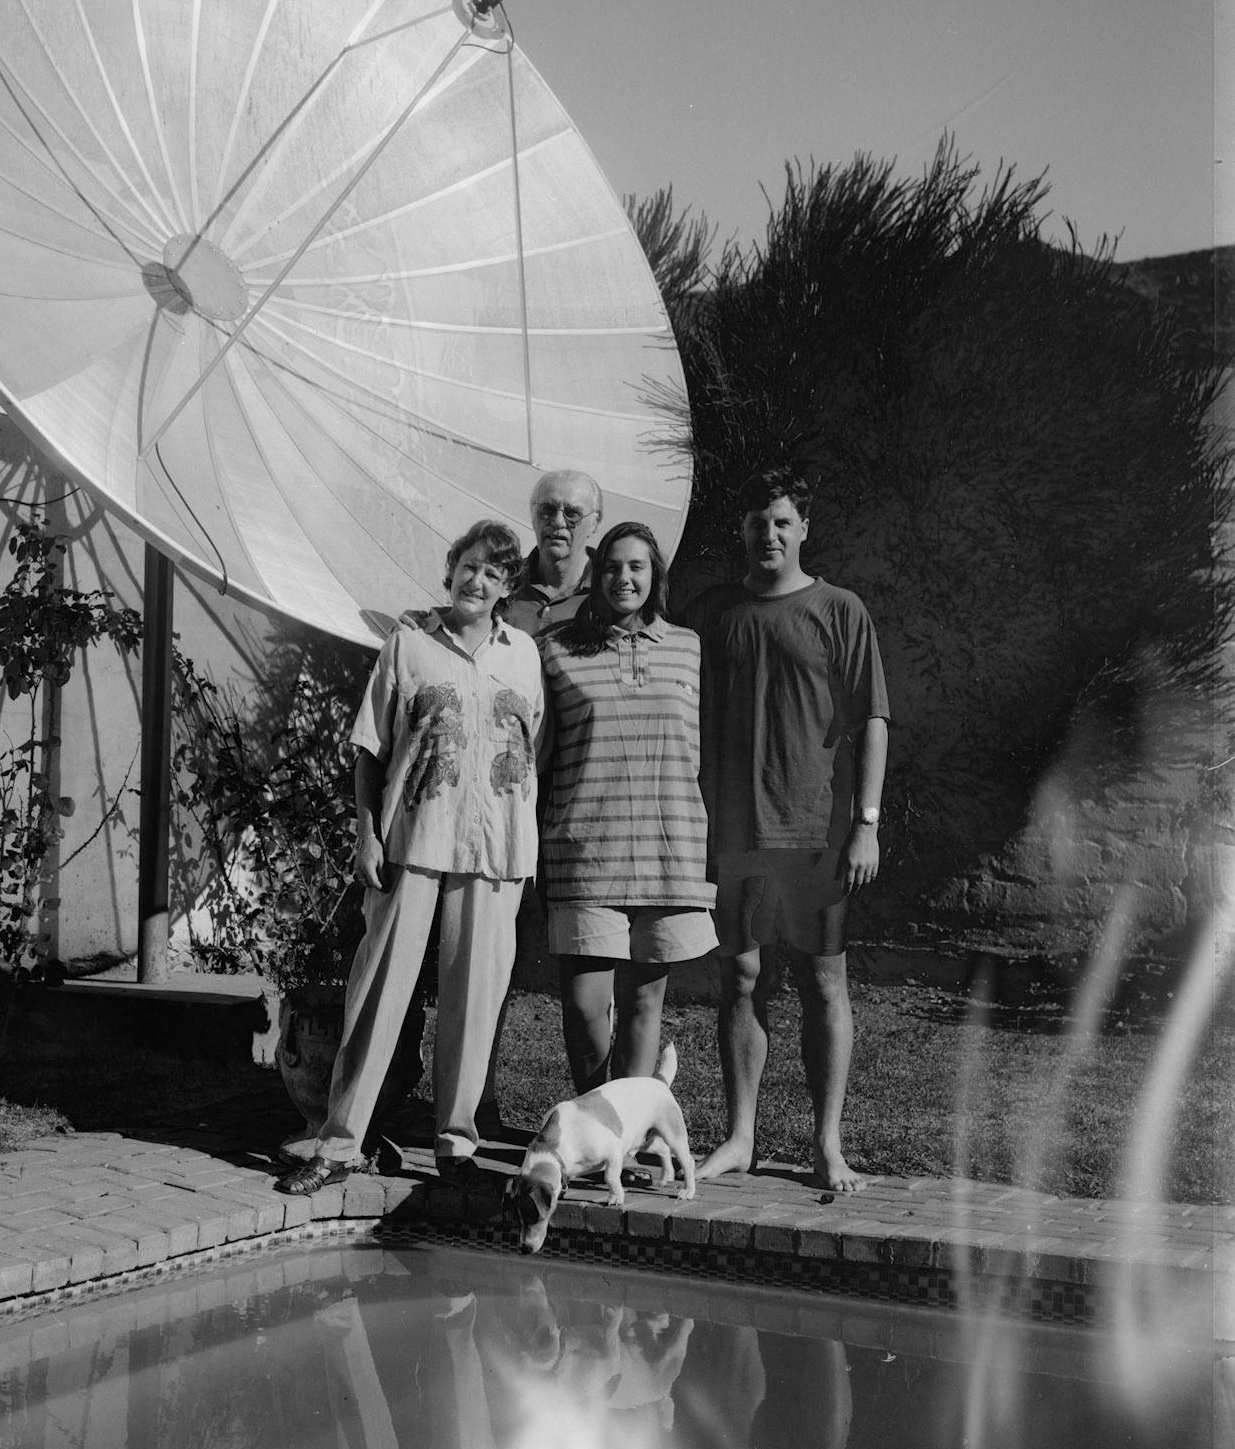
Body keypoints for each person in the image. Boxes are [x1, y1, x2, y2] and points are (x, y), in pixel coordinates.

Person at [277, 521, 544, 1196]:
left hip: (495, 854)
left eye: (492, 573)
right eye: (467, 567)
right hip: (414, 843)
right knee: (379, 993)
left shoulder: (525, 656)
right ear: (449, 569)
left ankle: (455, 1147)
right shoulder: (409, 644)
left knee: (473, 1000)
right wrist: (369, 835)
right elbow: (370, 748)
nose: (475, 581)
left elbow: (529, 746)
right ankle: (339, 1144)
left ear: (506, 586)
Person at [683, 467, 890, 1193]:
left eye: (780, 523)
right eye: (755, 523)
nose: (767, 535)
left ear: (803, 529)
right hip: (734, 830)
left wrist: (865, 824)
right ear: (741, 531)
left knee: (822, 982)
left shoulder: (839, 609)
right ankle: (740, 1138)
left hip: (815, 832)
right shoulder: (716, 613)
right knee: (738, 979)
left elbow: (871, 721)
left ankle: (827, 1146)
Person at [538, 522, 718, 1094]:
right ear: (597, 576)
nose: (624, 578)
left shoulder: (688, 646)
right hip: (585, 850)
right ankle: (593, 1118)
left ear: (655, 576)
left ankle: (628, 1133)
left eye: (637, 566)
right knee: (587, 1005)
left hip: (669, 851)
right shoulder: (557, 650)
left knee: (645, 1001)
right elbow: (536, 752)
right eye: (613, 566)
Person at [501, 469, 604, 635]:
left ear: (594, 523)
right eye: (547, 510)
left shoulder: (611, 588)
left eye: (572, 513)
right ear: (533, 516)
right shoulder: (504, 582)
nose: (558, 522)